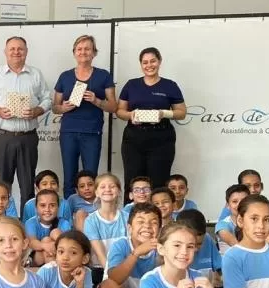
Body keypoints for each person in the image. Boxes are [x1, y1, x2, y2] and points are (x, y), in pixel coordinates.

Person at [0, 36, 53, 206]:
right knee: (1, 185)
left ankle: (27, 220)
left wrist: (36, 111)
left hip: (28, 136)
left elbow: (47, 99)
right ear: (5, 52)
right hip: (3, 136)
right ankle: (3, 220)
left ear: (26, 52)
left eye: (20, 49)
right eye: (12, 49)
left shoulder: (36, 74)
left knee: (28, 185)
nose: (16, 52)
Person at [53, 35, 116, 199]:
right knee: (69, 176)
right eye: (79, 49)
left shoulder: (103, 75)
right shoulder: (65, 76)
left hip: (92, 132)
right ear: (74, 52)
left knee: (91, 178)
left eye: (87, 49)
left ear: (94, 53)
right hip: (68, 132)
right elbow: (55, 107)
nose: (83, 52)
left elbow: (113, 106)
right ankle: (69, 210)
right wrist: (64, 107)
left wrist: (97, 101)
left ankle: (91, 210)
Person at [115, 47, 186, 190]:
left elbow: (182, 113)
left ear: (159, 61)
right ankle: (132, 205)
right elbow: (119, 111)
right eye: (145, 62)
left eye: (153, 61)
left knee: (159, 183)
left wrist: (164, 113)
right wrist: (130, 115)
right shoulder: (131, 85)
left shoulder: (170, 86)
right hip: (133, 139)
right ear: (141, 64)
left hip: (162, 139)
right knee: (133, 182)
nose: (149, 65)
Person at [96, 203, 162, 288]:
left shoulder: (162, 249)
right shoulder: (120, 245)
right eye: (141, 222)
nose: (147, 226)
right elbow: (115, 279)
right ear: (130, 228)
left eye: (153, 223)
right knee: (106, 286)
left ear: (159, 229)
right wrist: (136, 254)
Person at [83, 173, 128, 273]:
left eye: (112, 186)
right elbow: (100, 255)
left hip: (124, 268)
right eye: (103, 187)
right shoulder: (90, 220)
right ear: (96, 192)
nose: (107, 189)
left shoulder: (127, 218)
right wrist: (111, 275)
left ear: (119, 191)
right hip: (100, 269)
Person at [25, 189, 72, 266]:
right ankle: (53, 271)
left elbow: (68, 244)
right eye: (43, 205)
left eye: (52, 205)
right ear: (36, 208)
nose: (47, 209)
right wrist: (45, 246)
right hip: (37, 260)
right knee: (46, 240)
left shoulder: (64, 223)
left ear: (58, 207)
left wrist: (53, 245)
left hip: (59, 257)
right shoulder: (30, 223)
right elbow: (32, 242)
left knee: (55, 232)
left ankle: (52, 269)